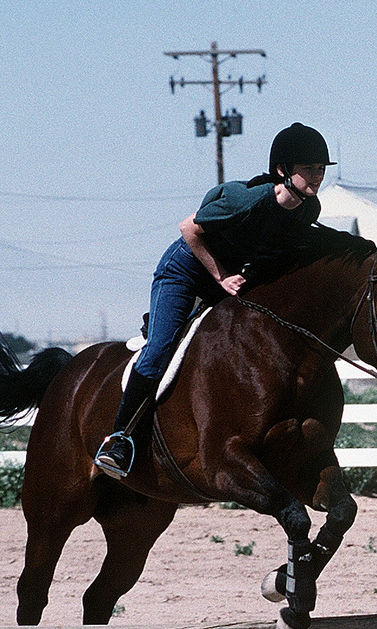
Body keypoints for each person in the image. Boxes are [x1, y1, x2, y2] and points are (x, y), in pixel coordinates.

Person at [94, 122, 336, 479]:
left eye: (320, 169)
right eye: (309, 168)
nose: (317, 176)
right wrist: (220, 276)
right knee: (160, 349)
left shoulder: (306, 210)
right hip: (186, 270)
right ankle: (119, 439)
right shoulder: (250, 199)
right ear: (283, 170)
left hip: (230, 277)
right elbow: (188, 228)